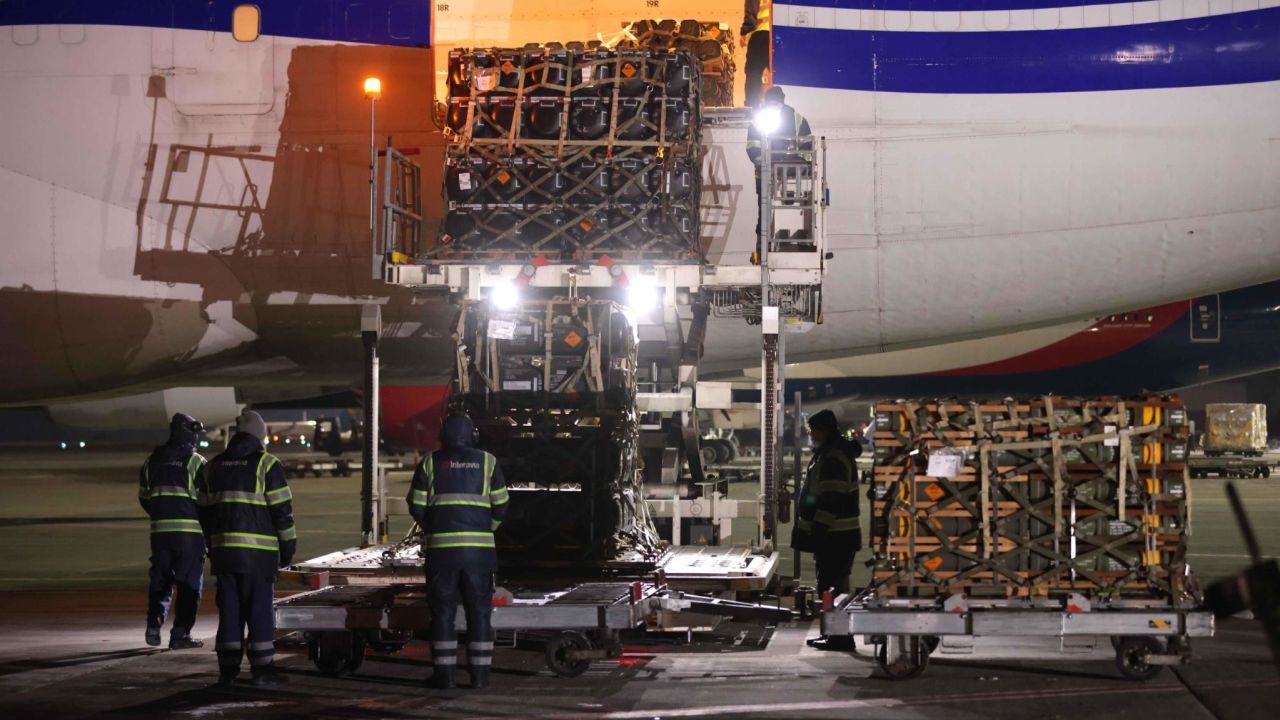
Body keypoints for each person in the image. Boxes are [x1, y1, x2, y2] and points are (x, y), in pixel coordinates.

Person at [408, 415, 509, 690]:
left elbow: (416, 505)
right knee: (480, 613)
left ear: (443, 435)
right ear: (472, 435)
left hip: (442, 553)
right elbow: (501, 505)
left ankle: (445, 677)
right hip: (479, 554)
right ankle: (480, 677)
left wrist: (434, 528)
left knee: (442, 613)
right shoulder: (488, 462)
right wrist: (486, 529)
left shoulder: (430, 462)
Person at [199, 410, 296, 687]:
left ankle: (227, 671)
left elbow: (204, 512)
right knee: (258, 612)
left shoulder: (213, 466)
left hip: (224, 554)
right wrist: (287, 546)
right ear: (260, 435)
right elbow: (282, 512)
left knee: (229, 612)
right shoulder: (266, 464)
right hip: (258, 555)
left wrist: (212, 545)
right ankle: (263, 672)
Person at [792, 409, 861, 651]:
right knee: (834, 586)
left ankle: (839, 637)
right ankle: (835, 635)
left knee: (831, 587)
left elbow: (831, 498)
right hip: (838, 536)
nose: (810, 435)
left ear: (823, 430)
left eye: (812, 431)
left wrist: (817, 530)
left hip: (835, 536)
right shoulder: (831, 453)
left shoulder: (832, 457)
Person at [139, 413, 208, 649]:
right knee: (189, 587)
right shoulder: (195, 461)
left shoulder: (152, 461)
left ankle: (153, 624)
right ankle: (180, 635)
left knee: (160, 581)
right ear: (188, 432)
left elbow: (145, 498)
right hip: (189, 536)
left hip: (159, 535)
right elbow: (208, 500)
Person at [746, 85, 812, 261]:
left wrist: (794, 164)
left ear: (782, 104)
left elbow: (807, 150)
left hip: (793, 180)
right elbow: (753, 148)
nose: (773, 107)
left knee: (793, 213)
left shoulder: (796, 119)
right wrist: (768, 165)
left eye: (776, 104)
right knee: (765, 215)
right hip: (766, 178)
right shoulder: (759, 121)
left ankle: (794, 247)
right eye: (771, 104)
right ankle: (763, 251)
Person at [741, 1, 772, 108]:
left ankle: (752, 106)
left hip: (759, 35)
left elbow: (751, 10)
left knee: (753, 73)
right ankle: (777, 103)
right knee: (776, 73)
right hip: (776, 34)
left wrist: (744, 32)